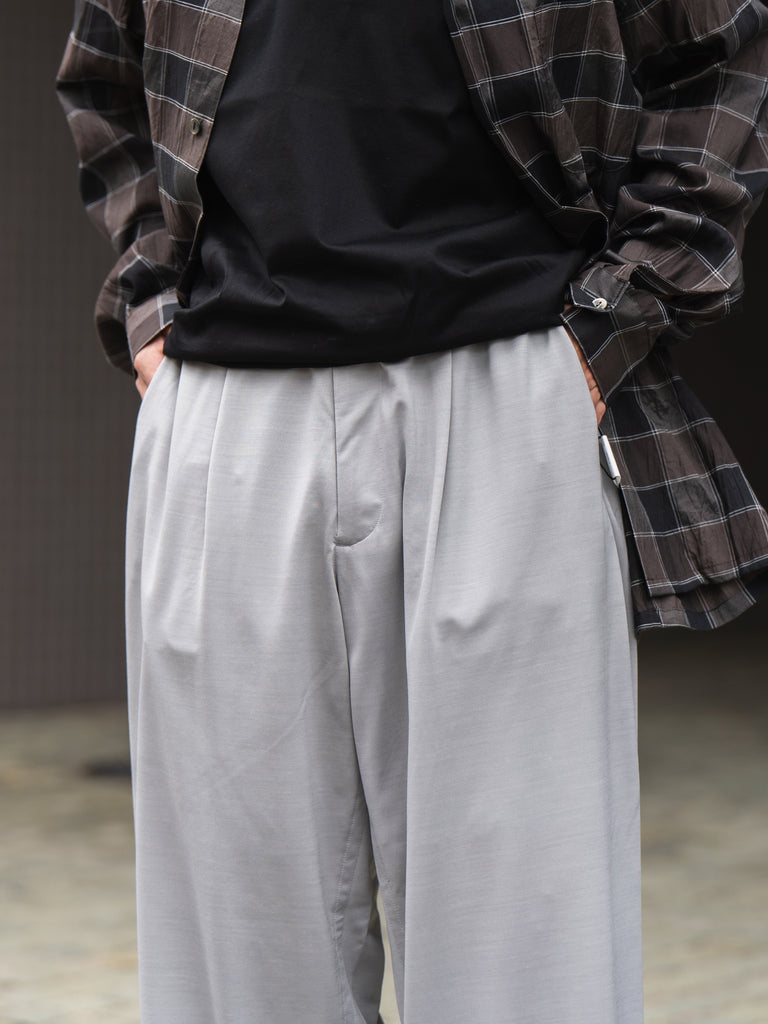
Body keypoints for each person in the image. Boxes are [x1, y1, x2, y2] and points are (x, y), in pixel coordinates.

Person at [57, 1, 768, 1021]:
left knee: (527, 964)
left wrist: (622, 313)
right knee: (238, 964)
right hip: (224, 399)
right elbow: (105, 72)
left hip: (506, 384)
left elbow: (721, 50)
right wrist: (151, 304)